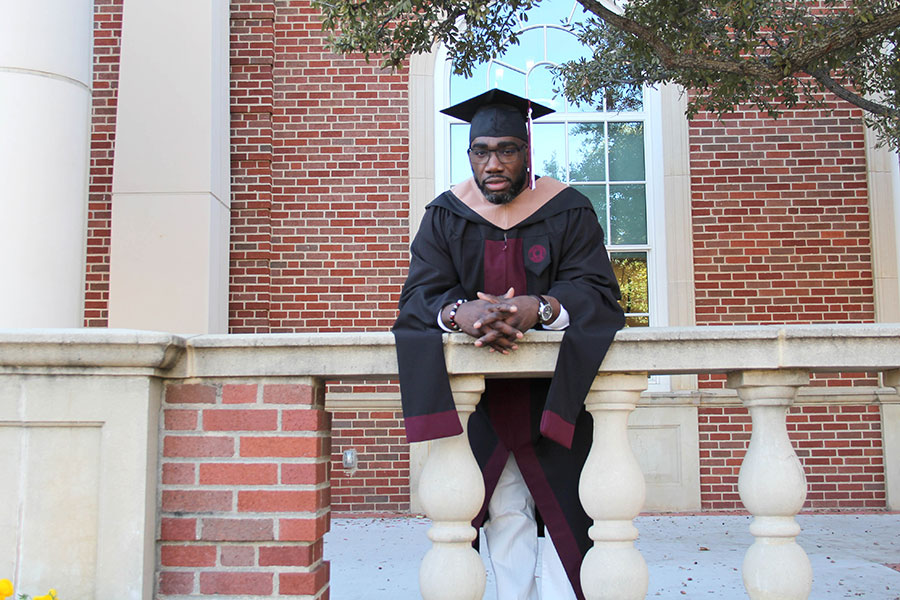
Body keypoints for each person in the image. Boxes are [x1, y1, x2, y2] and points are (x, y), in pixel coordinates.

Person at [392, 89, 625, 600]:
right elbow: (420, 296)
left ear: (527, 151)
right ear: (469, 153)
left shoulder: (567, 209)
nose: (492, 164)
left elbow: (597, 291)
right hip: (482, 408)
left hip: (557, 397)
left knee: (572, 513)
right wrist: (461, 313)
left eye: (506, 150)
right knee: (500, 510)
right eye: (481, 151)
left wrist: (538, 308)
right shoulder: (447, 215)